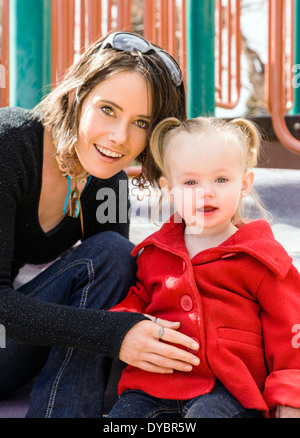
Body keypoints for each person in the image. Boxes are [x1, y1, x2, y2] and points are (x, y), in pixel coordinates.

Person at [0, 32, 201, 418]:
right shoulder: (10, 145)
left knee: (113, 253)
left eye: (141, 122)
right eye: (108, 109)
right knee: (111, 255)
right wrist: (115, 335)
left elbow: (113, 285)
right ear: (77, 96)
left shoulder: (108, 180)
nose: (119, 138)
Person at [108, 116, 300, 419]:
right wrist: (121, 325)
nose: (206, 192)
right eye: (190, 182)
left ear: (244, 184)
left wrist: (290, 396)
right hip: (152, 385)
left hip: (228, 390)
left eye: (221, 180)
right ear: (169, 189)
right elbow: (138, 299)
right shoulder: (154, 253)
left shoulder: (260, 257)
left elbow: (290, 329)